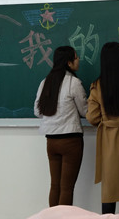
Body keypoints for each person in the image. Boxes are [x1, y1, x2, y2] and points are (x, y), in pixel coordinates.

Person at [87, 42, 119, 219]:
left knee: (110, 188)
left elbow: (92, 117)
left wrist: (106, 120)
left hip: (109, 138)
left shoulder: (98, 85)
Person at [34, 46, 88, 207]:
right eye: (76, 57)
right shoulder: (74, 83)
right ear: (69, 63)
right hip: (70, 141)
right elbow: (85, 111)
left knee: (55, 186)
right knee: (67, 188)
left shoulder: (45, 82)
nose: (78, 60)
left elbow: (37, 111)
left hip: (51, 141)